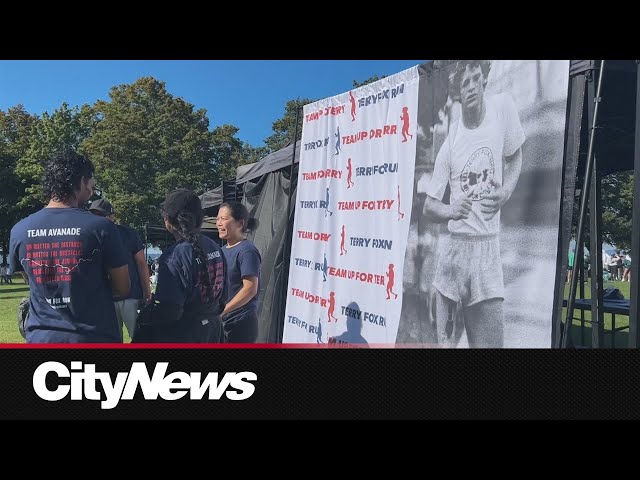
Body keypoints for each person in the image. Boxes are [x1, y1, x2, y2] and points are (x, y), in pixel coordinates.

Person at [423, 60, 525, 348]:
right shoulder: (452, 139)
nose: (471, 87)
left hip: (486, 248)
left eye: (475, 79)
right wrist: (451, 210)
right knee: (445, 346)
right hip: (455, 253)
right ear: (457, 91)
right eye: (464, 83)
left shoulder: (502, 109)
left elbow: (515, 154)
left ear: (484, 80)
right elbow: (430, 206)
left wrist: (505, 191)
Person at [8, 148, 130, 343]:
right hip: (94, 337)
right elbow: (123, 287)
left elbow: (32, 281)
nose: (92, 189)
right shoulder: (101, 227)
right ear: (81, 180)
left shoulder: (19, 230)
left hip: (42, 337)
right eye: (91, 182)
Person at [146, 189, 227, 343]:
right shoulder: (215, 247)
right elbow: (224, 296)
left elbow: (170, 310)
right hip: (214, 331)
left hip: (184, 334)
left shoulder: (173, 256)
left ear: (168, 220)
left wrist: (150, 315)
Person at [89, 198, 152, 341]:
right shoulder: (90, 236)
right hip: (105, 298)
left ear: (112, 216)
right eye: (94, 215)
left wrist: (146, 292)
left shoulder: (128, 233)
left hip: (131, 296)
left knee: (139, 337)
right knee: (110, 340)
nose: (97, 219)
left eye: (101, 215)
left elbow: (141, 263)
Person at [216, 201, 261, 343]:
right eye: (217, 219)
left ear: (240, 223)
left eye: (224, 219)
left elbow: (249, 289)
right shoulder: (221, 251)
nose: (219, 223)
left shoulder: (247, 250)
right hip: (223, 323)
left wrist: (223, 311)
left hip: (241, 323)